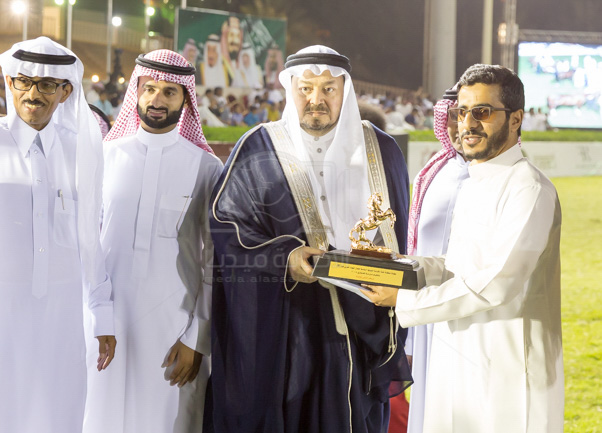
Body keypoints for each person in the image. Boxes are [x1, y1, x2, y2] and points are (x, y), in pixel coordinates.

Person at [206, 45, 412, 433]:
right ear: (291, 90)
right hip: (284, 322)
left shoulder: (381, 149)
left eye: (328, 89)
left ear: (345, 92)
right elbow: (226, 224)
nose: (316, 99)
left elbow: (398, 233)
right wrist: (285, 257)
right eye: (305, 89)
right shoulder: (258, 146)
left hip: (359, 320)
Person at [361, 64, 563, 433]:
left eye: (482, 112)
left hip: (507, 369)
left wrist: (403, 300)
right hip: (457, 356)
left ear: (516, 119)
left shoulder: (529, 188)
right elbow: (460, 264)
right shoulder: (475, 182)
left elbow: (497, 283)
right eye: (462, 111)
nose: (467, 124)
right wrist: (401, 265)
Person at [0, 36, 115, 433]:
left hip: (59, 323)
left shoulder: (83, 152)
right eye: (23, 81)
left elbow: (90, 240)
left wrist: (102, 313)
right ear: (9, 83)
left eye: (46, 84)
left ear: (65, 92)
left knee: (54, 415)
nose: (33, 94)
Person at [83, 49, 222, 433]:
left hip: (174, 328)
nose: (157, 99)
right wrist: (97, 316)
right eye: (149, 89)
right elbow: (87, 244)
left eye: (169, 92)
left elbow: (214, 260)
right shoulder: (105, 156)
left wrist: (197, 338)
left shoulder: (207, 168)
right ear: (137, 93)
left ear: (186, 100)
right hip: (105, 322)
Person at [403, 85, 469, 433]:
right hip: (426, 314)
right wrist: (411, 338)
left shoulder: (499, 179)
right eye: (455, 115)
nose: (463, 125)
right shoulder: (433, 172)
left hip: (471, 314)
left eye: (474, 114)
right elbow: (415, 248)